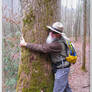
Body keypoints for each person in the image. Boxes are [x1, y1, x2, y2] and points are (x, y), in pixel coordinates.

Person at [20, 22, 72, 92]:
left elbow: (42, 48)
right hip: (63, 68)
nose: (51, 33)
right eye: (51, 31)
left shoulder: (57, 45)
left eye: (54, 32)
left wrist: (26, 44)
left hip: (62, 70)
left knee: (58, 90)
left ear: (59, 34)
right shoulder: (60, 38)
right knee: (66, 88)